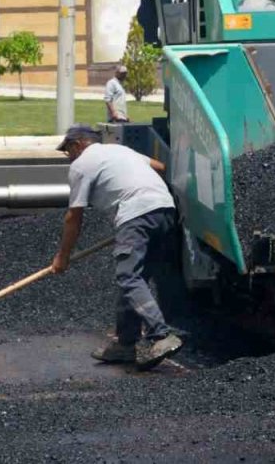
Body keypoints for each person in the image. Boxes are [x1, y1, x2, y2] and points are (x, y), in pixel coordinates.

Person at [50, 124, 183, 370]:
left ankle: (161, 335)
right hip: (165, 211)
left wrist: (62, 256)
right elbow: (160, 167)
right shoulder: (121, 151)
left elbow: (74, 217)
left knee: (128, 277)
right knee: (135, 279)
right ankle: (125, 344)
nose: (68, 157)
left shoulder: (81, 165)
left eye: (67, 150)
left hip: (135, 214)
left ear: (77, 144)